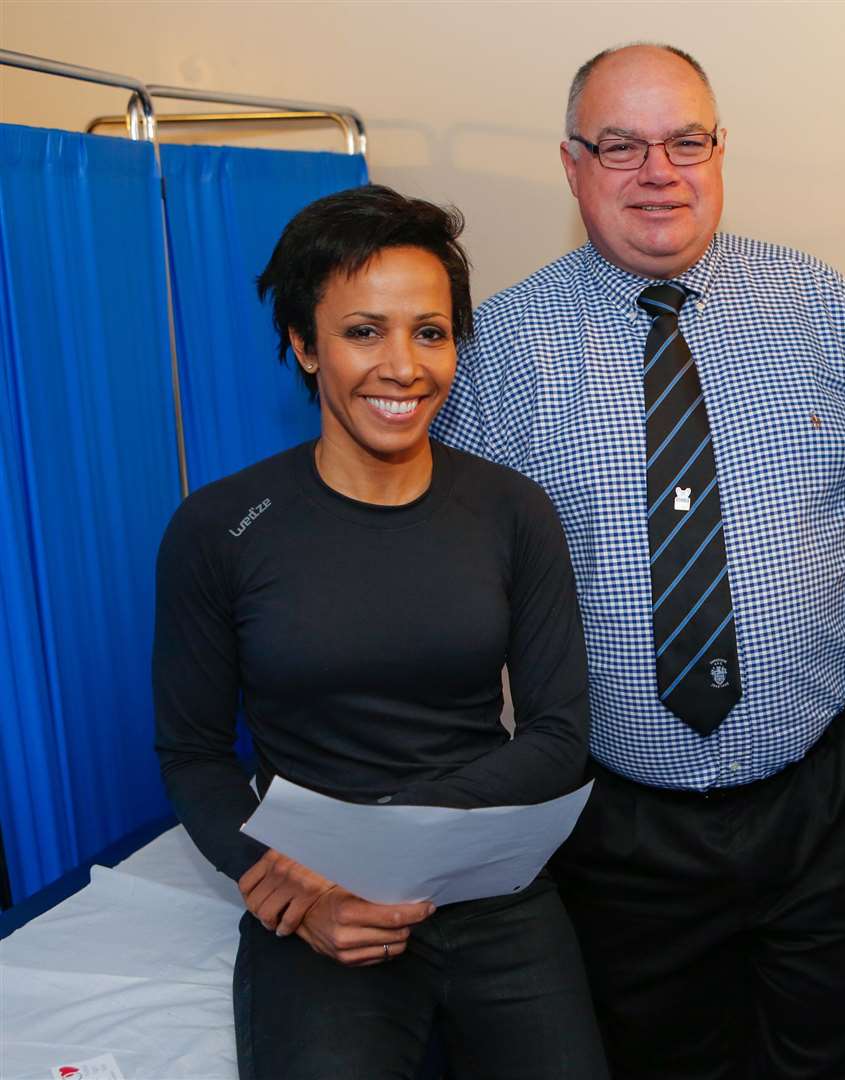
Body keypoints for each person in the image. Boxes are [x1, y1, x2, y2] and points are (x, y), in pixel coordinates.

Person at [432, 42, 845, 1080]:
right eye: (621, 145)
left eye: (684, 141)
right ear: (572, 166)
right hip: (617, 822)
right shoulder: (504, 349)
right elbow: (459, 581)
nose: (658, 171)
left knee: (841, 1057)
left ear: (719, 151)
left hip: (829, 794)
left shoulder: (822, 307)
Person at [152, 185, 607, 1080]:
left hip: (487, 883)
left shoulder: (512, 512)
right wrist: (292, 885)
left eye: (430, 332)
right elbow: (193, 752)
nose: (403, 366)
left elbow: (559, 737)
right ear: (303, 346)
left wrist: (378, 843)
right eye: (364, 331)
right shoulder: (221, 528)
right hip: (320, 907)